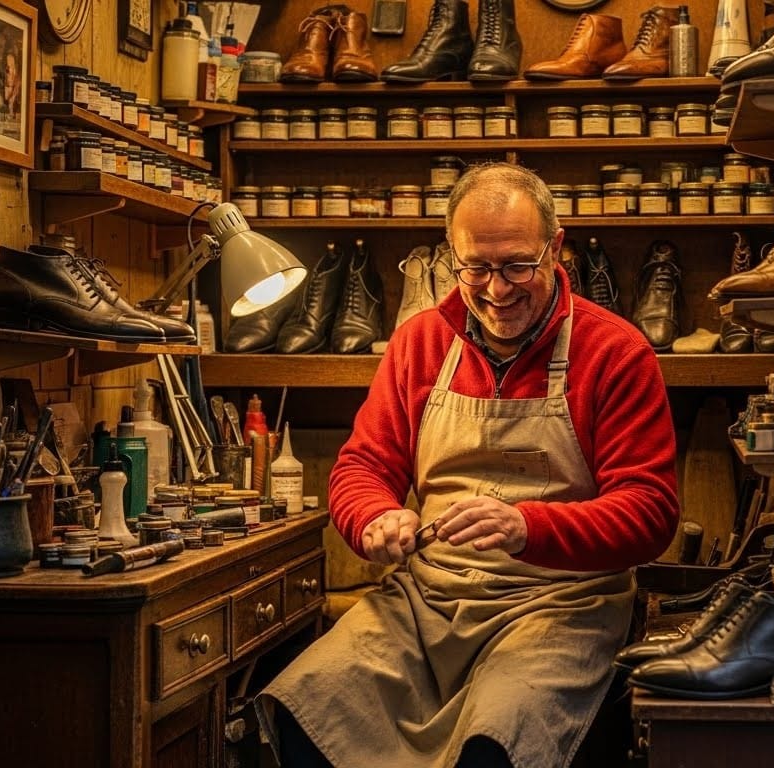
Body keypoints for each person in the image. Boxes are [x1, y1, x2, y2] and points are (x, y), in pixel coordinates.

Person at [257, 163, 680, 767]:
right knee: (311, 705)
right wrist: (373, 518)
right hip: (426, 599)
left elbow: (650, 513)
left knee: (496, 741)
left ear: (554, 247)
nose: (496, 289)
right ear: (450, 256)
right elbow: (362, 468)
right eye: (475, 268)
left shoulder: (614, 351)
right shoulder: (420, 342)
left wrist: (528, 527)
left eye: (516, 266)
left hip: (561, 605)